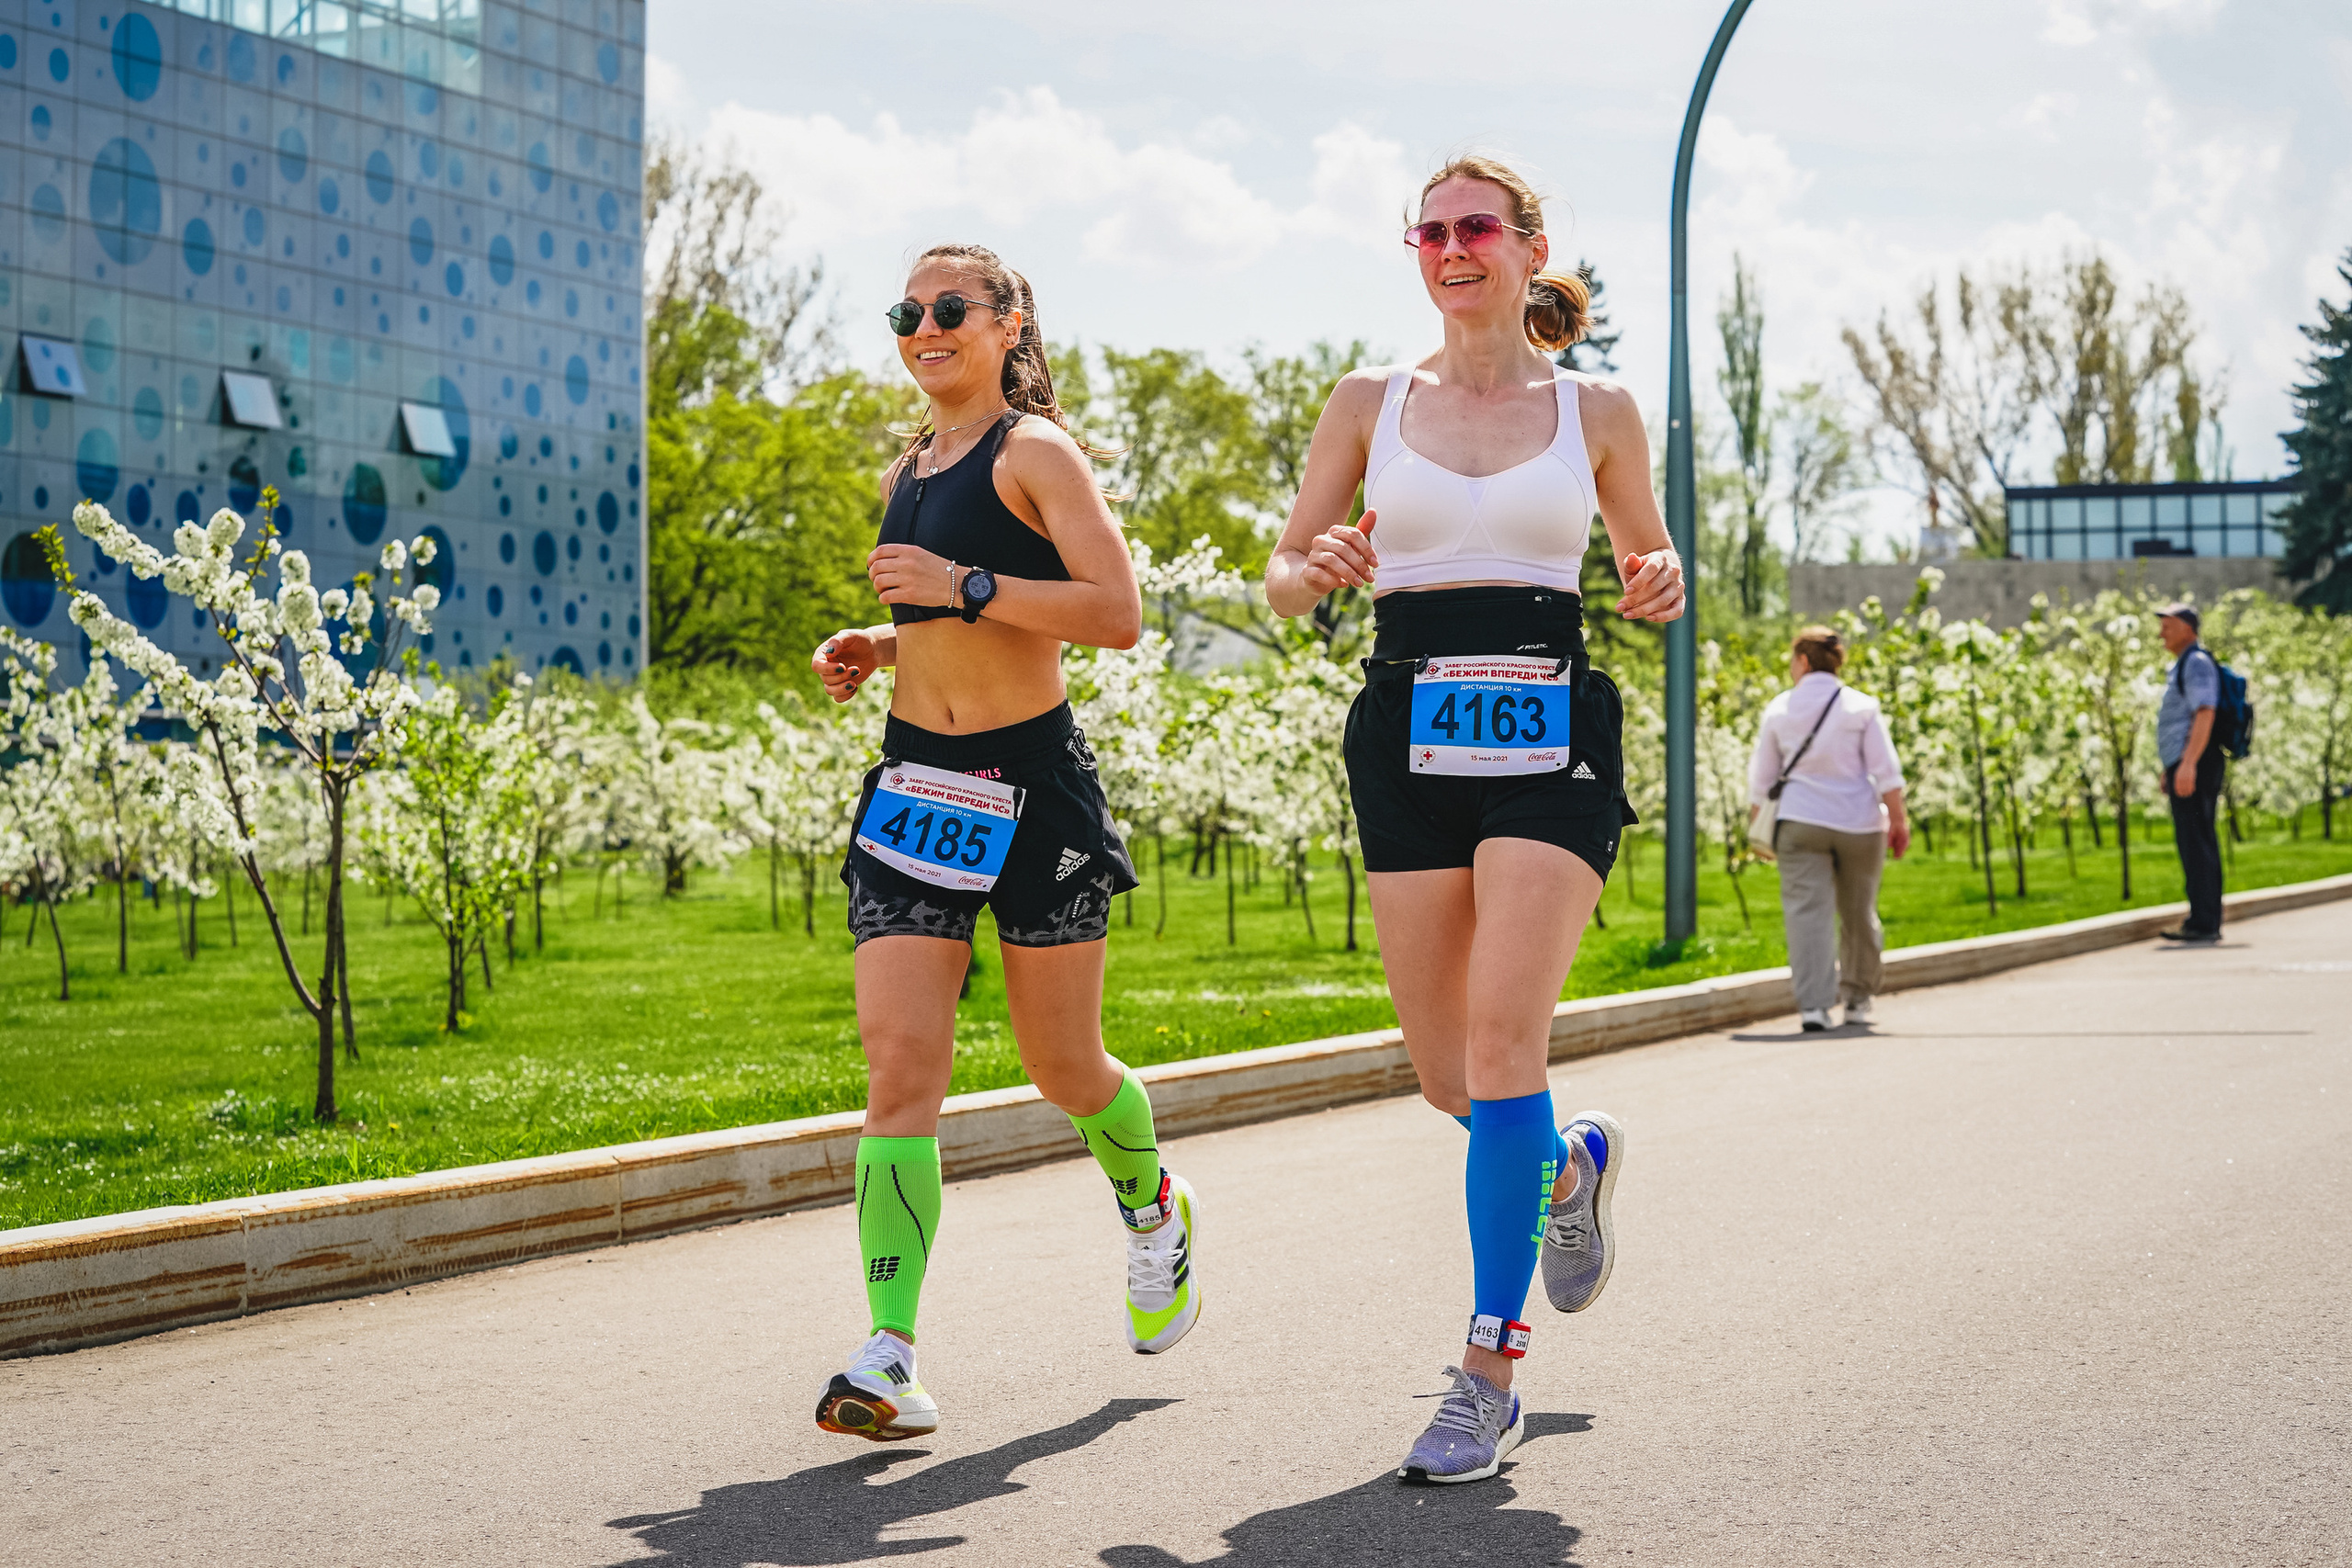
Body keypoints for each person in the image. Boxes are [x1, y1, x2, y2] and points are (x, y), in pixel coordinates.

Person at [1265, 154, 1683, 1484]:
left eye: (1477, 227)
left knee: (1506, 1041)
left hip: (1550, 723)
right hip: (1406, 724)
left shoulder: (1598, 405)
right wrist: (1312, 565)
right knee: (1450, 1075)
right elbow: (1283, 573)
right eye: (1432, 231)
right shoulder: (1367, 400)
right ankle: (1566, 1167)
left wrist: (1658, 575)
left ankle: (1487, 1369)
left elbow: (1645, 555)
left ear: (1528, 243)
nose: (1453, 248)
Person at [807, 244, 1201, 1444]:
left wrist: (960, 582)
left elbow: (1115, 612)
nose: (925, 327)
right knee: (899, 1067)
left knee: (1063, 1065)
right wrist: (880, 644)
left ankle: (1151, 1200)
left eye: (949, 309)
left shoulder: (1036, 452)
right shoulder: (907, 464)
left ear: (1006, 321)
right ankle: (889, 1353)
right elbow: (942, 612)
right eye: (907, 312)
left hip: (1032, 787)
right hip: (917, 784)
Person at [1746, 626, 1910, 1032]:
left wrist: (1757, 830)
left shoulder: (1780, 709)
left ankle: (1814, 1007)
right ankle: (1858, 999)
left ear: (1802, 661)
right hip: (1861, 824)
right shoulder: (1862, 707)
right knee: (1859, 911)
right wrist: (1899, 821)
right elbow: (1886, 772)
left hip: (1801, 823)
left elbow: (1762, 780)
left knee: (1807, 915)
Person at [2154, 602, 2223, 942]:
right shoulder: (2184, 664)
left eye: (2168, 625)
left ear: (2188, 628)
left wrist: (2189, 763)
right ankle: (2202, 917)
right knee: (2193, 840)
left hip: (2196, 761)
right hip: (2187, 762)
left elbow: (2205, 712)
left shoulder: (2195, 663)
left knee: (2196, 840)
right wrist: (2173, 766)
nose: (2161, 633)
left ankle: (2204, 922)